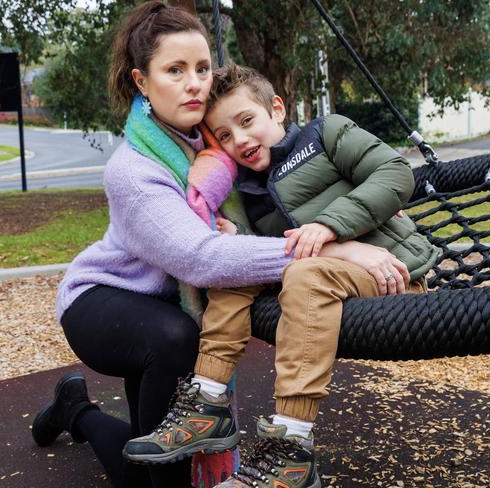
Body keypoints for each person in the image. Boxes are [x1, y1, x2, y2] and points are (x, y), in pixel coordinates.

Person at [31, 2, 418, 486]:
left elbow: (305, 187)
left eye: (201, 67)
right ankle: (79, 412)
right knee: (172, 355)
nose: (194, 82)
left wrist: (364, 211)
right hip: (106, 299)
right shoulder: (135, 169)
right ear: (141, 82)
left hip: (166, 306)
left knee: (153, 421)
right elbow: (202, 258)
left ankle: (81, 409)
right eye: (175, 70)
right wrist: (334, 245)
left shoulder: (213, 145)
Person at [122, 65, 439, 488]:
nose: (241, 141)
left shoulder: (326, 134)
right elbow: (276, 253)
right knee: (236, 266)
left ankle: (292, 449)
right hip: (326, 281)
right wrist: (242, 236)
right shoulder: (250, 188)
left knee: (306, 275)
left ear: (276, 108)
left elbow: (394, 174)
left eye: (247, 121)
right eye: (225, 136)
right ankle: (208, 399)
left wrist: (330, 224)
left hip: (392, 274)